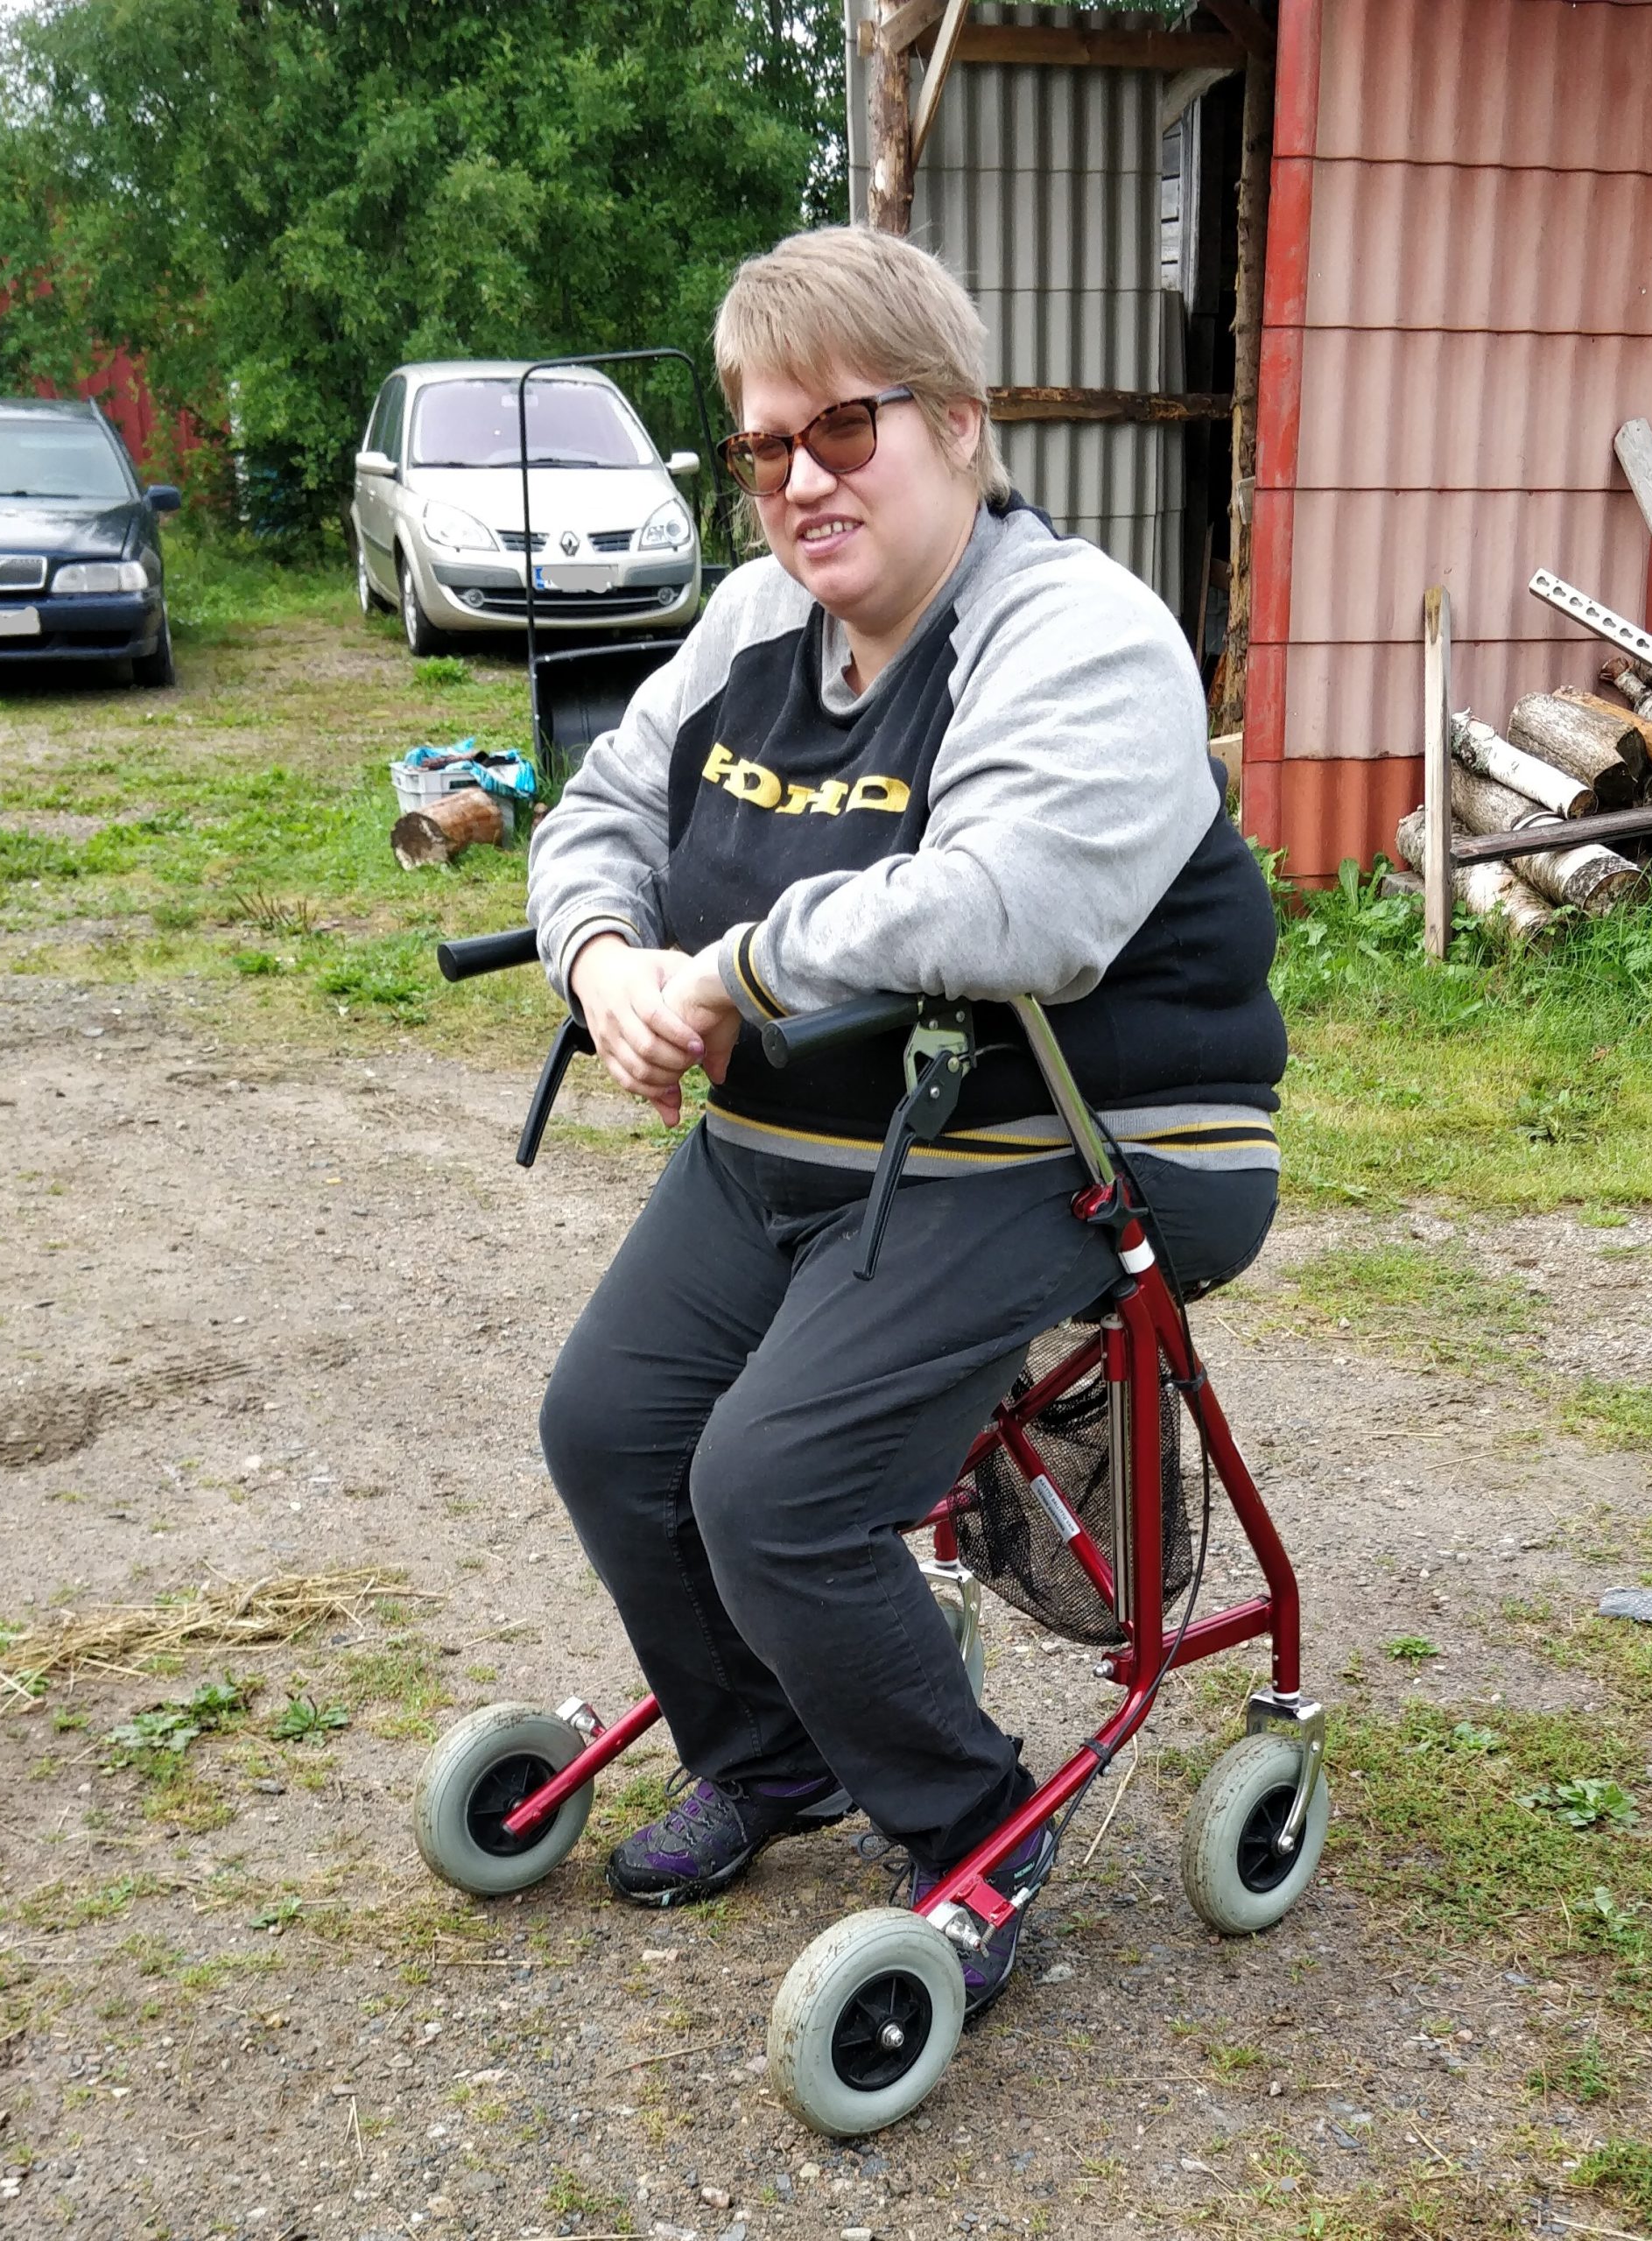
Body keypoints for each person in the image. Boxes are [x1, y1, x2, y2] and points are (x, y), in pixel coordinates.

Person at [529, 225, 1285, 2013]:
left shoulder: (1079, 633)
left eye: (843, 428)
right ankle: (769, 1748)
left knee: (773, 1481)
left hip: (1078, 1139)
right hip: (807, 1130)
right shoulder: (750, 620)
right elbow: (601, 807)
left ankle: (967, 1820)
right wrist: (607, 961)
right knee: (611, 1426)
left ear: (956, 423)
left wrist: (731, 966)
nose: (800, 478)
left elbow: (1015, 902)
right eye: (761, 443)